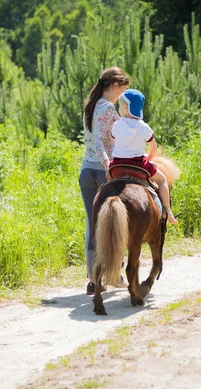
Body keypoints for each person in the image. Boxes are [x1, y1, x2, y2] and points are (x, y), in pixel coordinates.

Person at [80, 67, 129, 295]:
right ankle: (116, 273)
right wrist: (109, 165)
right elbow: (100, 142)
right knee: (113, 224)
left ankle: (93, 278)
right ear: (115, 85)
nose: (122, 95)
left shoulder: (91, 104)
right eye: (123, 90)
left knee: (93, 224)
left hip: (86, 172)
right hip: (102, 172)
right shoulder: (107, 107)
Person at [110, 89, 178, 225]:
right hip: (138, 165)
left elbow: (113, 145)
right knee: (163, 180)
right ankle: (167, 211)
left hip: (117, 166)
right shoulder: (143, 127)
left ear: (125, 107)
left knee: (108, 181)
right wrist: (148, 157)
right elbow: (153, 148)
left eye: (120, 105)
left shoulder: (116, 125)